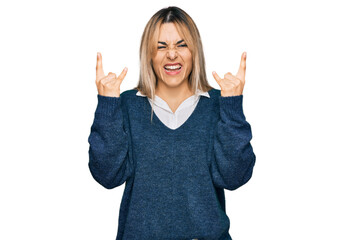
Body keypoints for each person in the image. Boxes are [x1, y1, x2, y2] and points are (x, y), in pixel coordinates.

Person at [88, 6, 256, 240]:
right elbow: (107, 176)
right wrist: (107, 105)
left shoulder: (218, 104)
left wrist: (232, 106)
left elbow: (234, 177)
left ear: (194, 51)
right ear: (149, 55)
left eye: (181, 44)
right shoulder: (127, 104)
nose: (172, 55)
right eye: (161, 47)